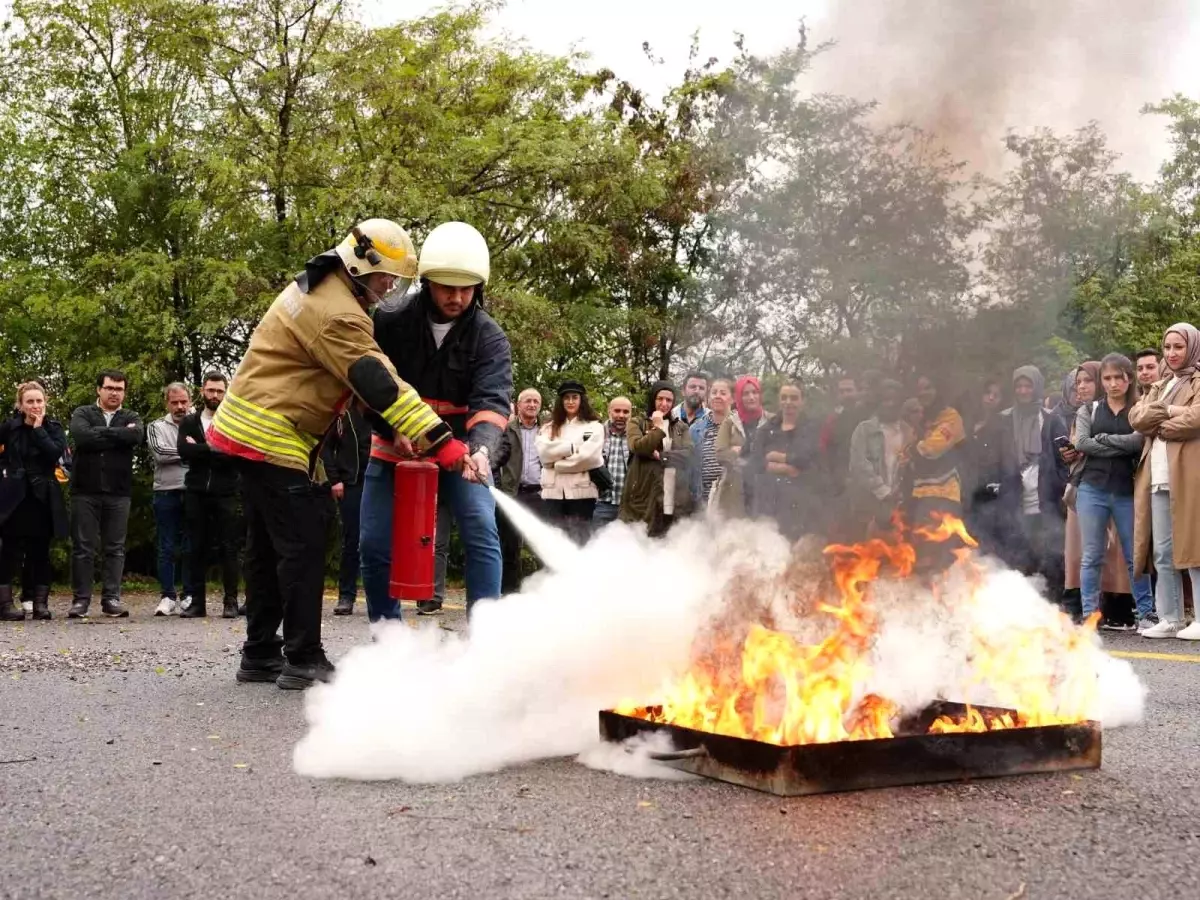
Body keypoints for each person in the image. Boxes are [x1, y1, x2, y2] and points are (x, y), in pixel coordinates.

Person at [209, 218, 473, 688]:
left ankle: (260, 654)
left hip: (247, 431)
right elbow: (377, 380)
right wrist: (441, 441)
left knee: (266, 550)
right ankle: (303, 658)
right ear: (360, 263)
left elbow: (347, 385)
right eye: (386, 276)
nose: (391, 285)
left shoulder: (320, 286)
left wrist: (393, 428)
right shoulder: (339, 314)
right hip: (274, 436)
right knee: (305, 544)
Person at [362, 221, 511, 619]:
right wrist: (390, 429)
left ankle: (486, 640)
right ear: (427, 282)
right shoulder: (390, 320)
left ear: (479, 287)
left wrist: (481, 450)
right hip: (394, 445)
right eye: (447, 287)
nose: (457, 297)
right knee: (375, 542)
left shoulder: (489, 337)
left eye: (467, 289)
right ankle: (387, 637)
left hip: (460, 451)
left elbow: (492, 401)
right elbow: (367, 385)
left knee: (481, 530)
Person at [1073, 354, 1155, 630]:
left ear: (1127, 378)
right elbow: (1083, 443)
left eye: (1118, 377)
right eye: (1107, 378)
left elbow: (1139, 441)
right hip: (1092, 488)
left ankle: (1146, 614)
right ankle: (1089, 615)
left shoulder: (1137, 408)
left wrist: (1104, 440)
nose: (1112, 383)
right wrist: (1120, 444)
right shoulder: (1089, 410)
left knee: (1136, 555)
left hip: (1126, 490)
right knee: (1092, 555)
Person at [1131, 323, 1200, 640]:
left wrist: (1164, 416)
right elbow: (1137, 418)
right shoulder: (1159, 384)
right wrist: (1168, 411)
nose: (1172, 353)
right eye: (1168, 347)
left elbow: (1196, 417)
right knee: (1163, 550)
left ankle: (1199, 618)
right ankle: (1171, 618)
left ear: (1192, 348)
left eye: (1179, 347)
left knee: (1194, 547)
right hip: (1156, 477)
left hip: (1188, 475)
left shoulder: (1198, 380)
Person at [68, 370, 142, 618]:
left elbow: (136, 435)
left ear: (124, 392)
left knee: (115, 548)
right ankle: (81, 600)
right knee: (83, 547)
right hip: (84, 491)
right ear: (98, 389)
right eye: (110, 387)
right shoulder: (82, 413)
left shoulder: (131, 416)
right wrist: (119, 435)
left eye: (119, 389)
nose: (114, 392)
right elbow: (81, 437)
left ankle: (111, 598)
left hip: (119, 492)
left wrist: (100, 433)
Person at [0, 383, 68, 622]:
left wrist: (39, 430)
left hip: (43, 497)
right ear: (20, 404)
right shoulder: (9, 428)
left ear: (45, 402)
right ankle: (5, 604)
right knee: (9, 551)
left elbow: (54, 454)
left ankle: (40, 604)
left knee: (40, 552)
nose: (35, 406)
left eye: (39, 401)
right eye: (30, 402)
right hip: (13, 498)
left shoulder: (54, 428)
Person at [179, 372, 242, 619]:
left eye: (219, 391)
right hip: (196, 491)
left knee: (229, 547)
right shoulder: (189, 421)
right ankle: (197, 602)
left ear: (226, 393)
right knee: (196, 547)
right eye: (210, 390)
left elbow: (235, 453)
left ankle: (231, 601)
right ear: (202, 391)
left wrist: (200, 448)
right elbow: (184, 450)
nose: (214, 395)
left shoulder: (234, 421)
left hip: (226, 492)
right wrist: (214, 448)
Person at [745, 380, 824, 542]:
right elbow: (756, 462)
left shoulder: (811, 428)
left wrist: (776, 457)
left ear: (803, 401)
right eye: (784, 397)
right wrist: (788, 468)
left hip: (802, 504)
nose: (788, 402)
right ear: (779, 400)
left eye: (794, 398)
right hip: (769, 503)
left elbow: (806, 458)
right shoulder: (766, 429)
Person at [621, 381, 694, 537]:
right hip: (645, 492)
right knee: (643, 540)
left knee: (670, 540)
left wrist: (662, 456)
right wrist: (658, 427)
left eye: (669, 400)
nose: (664, 404)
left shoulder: (681, 427)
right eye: (660, 399)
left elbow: (688, 455)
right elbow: (638, 447)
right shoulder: (637, 422)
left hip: (674, 491)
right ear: (653, 399)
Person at [537, 381, 604, 544]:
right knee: (554, 542)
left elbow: (589, 458)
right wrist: (572, 447)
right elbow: (544, 454)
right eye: (566, 398)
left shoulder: (594, 426)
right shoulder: (548, 427)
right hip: (553, 493)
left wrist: (557, 464)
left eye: (575, 397)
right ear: (561, 401)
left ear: (582, 400)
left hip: (582, 493)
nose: (571, 401)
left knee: (580, 542)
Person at [494, 388, 544, 593]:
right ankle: (509, 591)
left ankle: (543, 590)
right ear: (518, 405)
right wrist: (499, 486)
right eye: (528, 401)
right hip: (512, 492)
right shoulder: (507, 428)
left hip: (540, 493)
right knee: (510, 545)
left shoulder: (548, 429)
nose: (532, 405)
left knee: (540, 544)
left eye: (536, 401)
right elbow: (496, 459)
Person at [320, 407, 369, 616]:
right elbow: (326, 448)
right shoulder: (342, 413)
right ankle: (346, 596)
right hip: (352, 484)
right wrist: (335, 479)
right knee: (352, 540)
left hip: (381, 482)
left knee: (383, 542)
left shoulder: (384, 410)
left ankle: (384, 596)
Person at [147, 383, 191, 616]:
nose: (179, 406)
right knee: (166, 545)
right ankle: (167, 595)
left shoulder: (198, 425)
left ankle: (189, 595)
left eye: (183, 401)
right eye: (174, 402)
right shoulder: (155, 426)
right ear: (167, 403)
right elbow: (160, 454)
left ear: (190, 401)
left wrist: (197, 450)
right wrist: (190, 451)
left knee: (191, 545)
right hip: (165, 491)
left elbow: (210, 449)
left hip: (193, 490)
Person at [848, 379, 910, 537]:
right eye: (885, 399)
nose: (890, 404)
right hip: (868, 507)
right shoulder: (864, 430)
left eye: (894, 400)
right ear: (878, 401)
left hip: (899, 509)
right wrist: (884, 491)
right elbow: (858, 465)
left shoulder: (909, 431)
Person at [907, 375, 966, 529]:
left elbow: (932, 450)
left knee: (942, 549)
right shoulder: (920, 418)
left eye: (928, 388)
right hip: (919, 496)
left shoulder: (951, 417)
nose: (923, 393)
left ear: (939, 390)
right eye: (919, 389)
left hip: (944, 496)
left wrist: (913, 448)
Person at [963, 378, 1010, 557]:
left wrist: (999, 483)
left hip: (989, 489)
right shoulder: (968, 422)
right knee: (966, 535)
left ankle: (990, 575)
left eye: (996, 395)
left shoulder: (1002, 425)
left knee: (987, 536)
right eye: (988, 393)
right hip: (966, 488)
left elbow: (1005, 457)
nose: (991, 398)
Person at [711, 375, 766, 518]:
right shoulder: (730, 422)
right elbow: (720, 454)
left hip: (765, 488)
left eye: (755, 392)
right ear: (739, 397)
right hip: (735, 488)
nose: (751, 397)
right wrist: (739, 452)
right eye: (746, 393)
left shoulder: (771, 420)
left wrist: (741, 451)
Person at [819, 373, 866, 493]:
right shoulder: (832, 419)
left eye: (849, 390)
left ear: (858, 391)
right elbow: (825, 449)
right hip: (840, 482)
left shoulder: (868, 416)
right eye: (842, 391)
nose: (845, 394)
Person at [690, 377, 733, 506]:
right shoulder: (695, 429)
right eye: (714, 392)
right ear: (708, 397)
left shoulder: (740, 427)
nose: (717, 396)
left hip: (732, 501)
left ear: (733, 398)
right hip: (703, 501)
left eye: (723, 393)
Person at [594, 396, 632, 527]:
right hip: (601, 503)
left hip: (628, 505)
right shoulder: (597, 433)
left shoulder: (637, 436)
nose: (621, 415)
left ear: (631, 414)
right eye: (617, 411)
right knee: (597, 545)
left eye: (626, 412)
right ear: (609, 412)